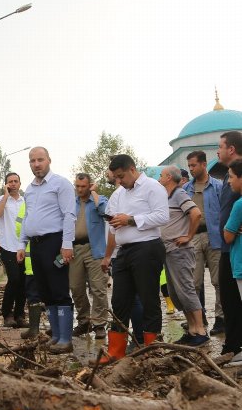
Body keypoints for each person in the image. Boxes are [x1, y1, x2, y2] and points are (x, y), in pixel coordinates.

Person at [96, 154, 169, 365]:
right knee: (120, 301)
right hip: (124, 251)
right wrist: (109, 253)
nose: (119, 181)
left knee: (148, 299)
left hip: (147, 248)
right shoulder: (118, 193)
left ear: (132, 169)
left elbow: (162, 216)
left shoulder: (153, 187)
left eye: (121, 176)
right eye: (116, 178)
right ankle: (116, 351)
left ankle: (151, 349)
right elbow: (112, 226)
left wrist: (131, 220)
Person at [16, 147, 76, 354]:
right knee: (46, 292)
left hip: (55, 243)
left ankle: (66, 339)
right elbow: (27, 217)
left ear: (49, 160)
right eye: (32, 161)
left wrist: (67, 245)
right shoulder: (30, 189)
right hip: (36, 244)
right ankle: (56, 336)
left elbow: (69, 215)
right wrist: (22, 244)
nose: (36, 164)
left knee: (59, 289)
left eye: (40, 160)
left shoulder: (61, 184)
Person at [158, 166, 207, 346]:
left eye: (161, 176)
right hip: (169, 251)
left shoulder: (179, 194)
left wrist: (188, 236)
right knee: (176, 293)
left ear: (169, 177)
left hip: (179, 251)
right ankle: (192, 330)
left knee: (186, 289)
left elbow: (196, 213)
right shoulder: (168, 196)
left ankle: (200, 330)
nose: (159, 179)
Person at [184, 150, 224, 336]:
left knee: (218, 281)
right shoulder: (186, 190)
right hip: (193, 237)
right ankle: (200, 318)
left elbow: (225, 210)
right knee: (194, 281)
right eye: (189, 166)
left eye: (194, 165)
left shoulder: (218, 186)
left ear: (203, 164)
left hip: (215, 235)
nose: (191, 169)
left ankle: (221, 318)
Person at [69, 173, 109, 340]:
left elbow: (105, 211)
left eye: (83, 186)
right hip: (75, 249)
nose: (79, 189)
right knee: (76, 287)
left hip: (95, 249)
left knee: (98, 288)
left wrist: (94, 193)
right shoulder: (71, 203)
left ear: (90, 185)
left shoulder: (99, 199)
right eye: (77, 186)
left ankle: (100, 324)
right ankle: (84, 321)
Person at [217, 131, 242, 362]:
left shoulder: (239, 172)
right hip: (228, 246)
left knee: (234, 298)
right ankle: (233, 344)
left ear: (231, 149)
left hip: (234, 244)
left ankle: (235, 346)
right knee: (228, 297)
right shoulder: (228, 175)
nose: (218, 151)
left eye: (221, 146)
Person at [0, 172, 28, 329]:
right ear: (6, 184)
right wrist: (5, 195)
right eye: (10, 182)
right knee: (13, 279)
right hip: (7, 246)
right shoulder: (0, 201)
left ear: (20, 184)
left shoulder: (26, 201)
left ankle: (19, 315)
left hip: (25, 247)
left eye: (16, 181)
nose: (13, 184)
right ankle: (7, 314)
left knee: (23, 282)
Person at [223, 159, 242, 365]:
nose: (229, 181)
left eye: (231, 177)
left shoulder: (239, 204)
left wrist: (233, 230)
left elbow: (227, 236)